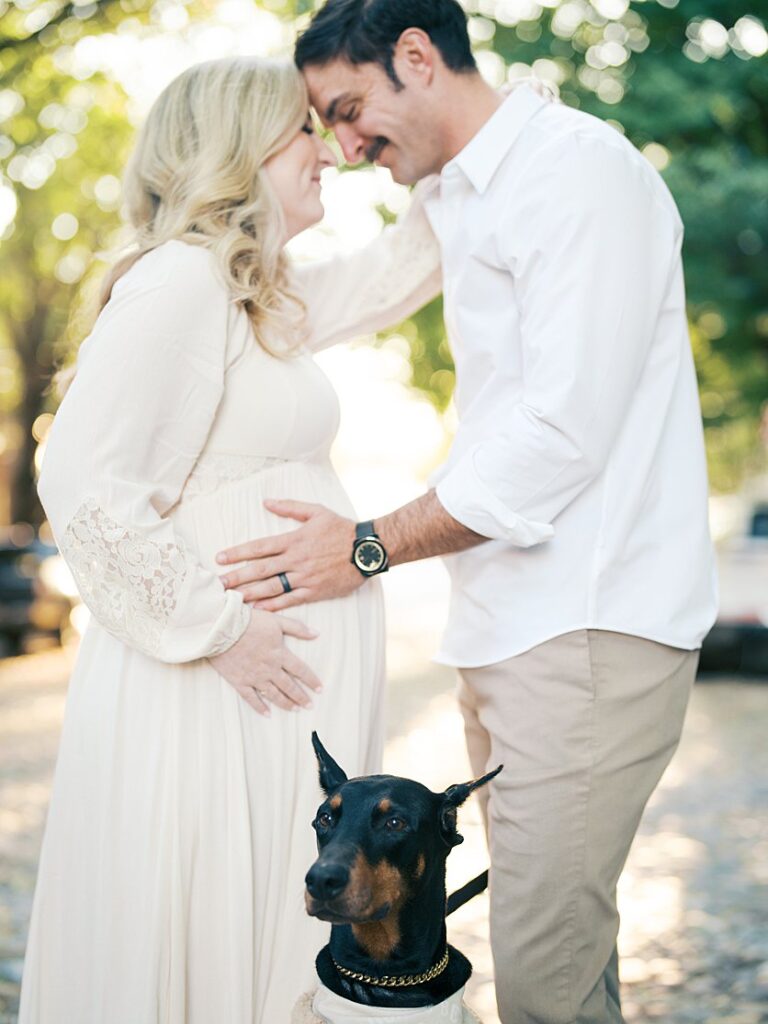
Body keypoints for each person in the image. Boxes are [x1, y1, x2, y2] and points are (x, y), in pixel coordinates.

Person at [216, 3, 719, 1022]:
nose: (347, 148)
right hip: (513, 624)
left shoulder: (577, 175)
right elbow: (338, 299)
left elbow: (562, 435)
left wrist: (365, 547)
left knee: (541, 971)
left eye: (351, 111)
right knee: (561, 949)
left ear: (417, 57)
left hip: (586, 621)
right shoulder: (464, 190)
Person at [18, 56, 440, 1024]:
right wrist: (218, 628)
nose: (329, 148)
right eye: (306, 129)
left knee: (272, 926)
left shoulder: (261, 301)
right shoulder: (180, 280)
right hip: (211, 689)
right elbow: (83, 483)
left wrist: (476, 135)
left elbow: (396, 271)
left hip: (259, 699)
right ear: (240, 149)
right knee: (208, 913)